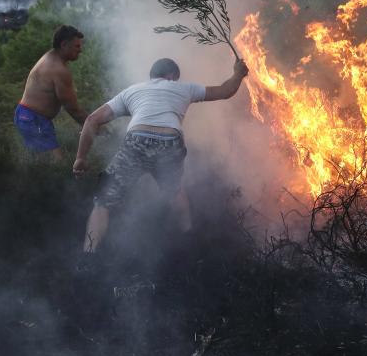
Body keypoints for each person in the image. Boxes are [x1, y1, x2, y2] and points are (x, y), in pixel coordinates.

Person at [73, 56, 249, 253]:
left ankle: (88, 256)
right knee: (174, 192)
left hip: (136, 141)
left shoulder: (132, 91)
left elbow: (91, 120)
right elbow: (225, 91)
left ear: (152, 76)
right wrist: (238, 74)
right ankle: (189, 244)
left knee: (104, 201)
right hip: (170, 142)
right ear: (172, 76)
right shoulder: (183, 88)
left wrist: (80, 158)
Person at [14, 25, 89, 160]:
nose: (80, 50)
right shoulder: (58, 69)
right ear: (64, 45)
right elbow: (73, 109)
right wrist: (95, 125)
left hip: (30, 116)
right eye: (77, 46)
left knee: (39, 161)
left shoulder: (51, 57)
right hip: (32, 119)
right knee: (56, 162)